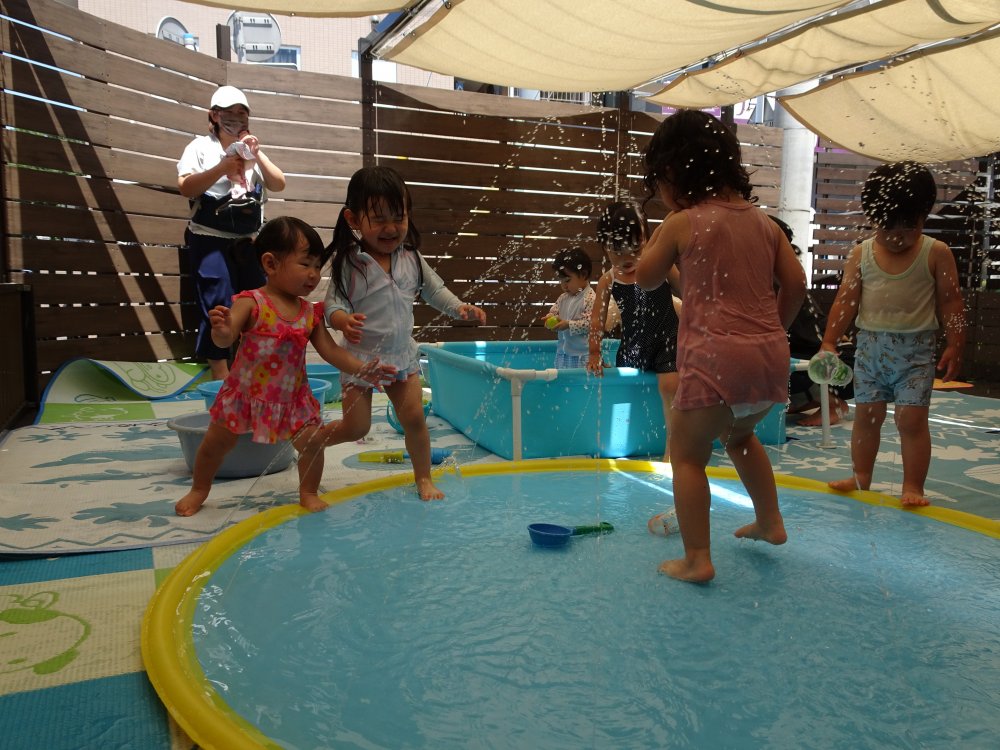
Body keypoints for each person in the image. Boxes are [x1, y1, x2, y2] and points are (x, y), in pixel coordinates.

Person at [635, 109, 806, 583]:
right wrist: (773, 330)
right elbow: (795, 285)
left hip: (714, 362)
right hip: (769, 358)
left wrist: (656, 244)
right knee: (741, 437)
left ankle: (697, 559)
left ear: (672, 174)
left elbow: (647, 280)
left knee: (687, 456)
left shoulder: (683, 222)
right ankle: (771, 523)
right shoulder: (766, 224)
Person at [174, 217, 396, 517]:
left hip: (293, 401)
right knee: (215, 445)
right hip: (245, 395)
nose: (314, 274)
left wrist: (361, 368)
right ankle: (199, 489)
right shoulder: (251, 303)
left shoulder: (308, 312)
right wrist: (221, 329)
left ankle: (307, 491)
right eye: (305, 264)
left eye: (318, 267)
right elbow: (225, 338)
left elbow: (330, 351)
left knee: (313, 443)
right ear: (270, 263)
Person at [319, 166, 487, 501]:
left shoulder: (411, 257)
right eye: (379, 219)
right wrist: (341, 321)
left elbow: (434, 290)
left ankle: (423, 478)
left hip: (400, 356)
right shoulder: (350, 264)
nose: (391, 228)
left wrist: (459, 308)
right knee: (357, 427)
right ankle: (314, 438)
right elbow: (331, 304)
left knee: (413, 418)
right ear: (353, 220)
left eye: (399, 217)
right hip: (361, 360)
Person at [820, 161, 966, 507]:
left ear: (924, 217)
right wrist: (828, 341)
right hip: (870, 351)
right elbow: (846, 300)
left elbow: (951, 301)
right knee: (867, 417)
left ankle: (912, 485)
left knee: (911, 420)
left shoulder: (936, 253)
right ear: (873, 219)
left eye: (908, 227)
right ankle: (861, 477)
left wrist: (956, 344)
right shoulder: (862, 253)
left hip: (916, 355)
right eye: (888, 229)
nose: (897, 237)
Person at [178, 85, 286, 381]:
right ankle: (220, 375)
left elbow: (278, 184)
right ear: (214, 115)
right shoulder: (199, 147)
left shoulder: (250, 150)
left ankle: (249, 369)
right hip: (209, 237)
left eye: (242, 113)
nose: (236, 118)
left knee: (255, 304)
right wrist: (222, 167)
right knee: (218, 305)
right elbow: (186, 187)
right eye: (229, 112)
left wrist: (257, 153)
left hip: (248, 241)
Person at [587, 201, 681, 462]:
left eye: (635, 250)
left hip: (667, 338)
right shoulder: (609, 279)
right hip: (634, 343)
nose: (627, 259)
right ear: (605, 247)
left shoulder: (660, 267)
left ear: (648, 241)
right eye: (617, 252)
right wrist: (594, 353)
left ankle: (672, 450)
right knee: (621, 382)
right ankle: (621, 442)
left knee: (670, 384)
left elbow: (688, 290)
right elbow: (597, 319)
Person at [770, 216, 851, 426]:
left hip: (834, 361)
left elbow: (804, 339)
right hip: (821, 354)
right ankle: (806, 398)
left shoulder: (779, 283)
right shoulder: (775, 279)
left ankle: (831, 401)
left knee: (771, 356)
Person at [543, 247, 596, 369]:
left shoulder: (590, 298)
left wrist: (569, 324)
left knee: (581, 385)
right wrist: (549, 318)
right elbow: (554, 311)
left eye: (567, 280)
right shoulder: (563, 298)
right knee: (562, 384)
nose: (564, 285)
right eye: (561, 281)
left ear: (583, 274)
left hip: (583, 355)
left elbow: (591, 324)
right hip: (562, 353)